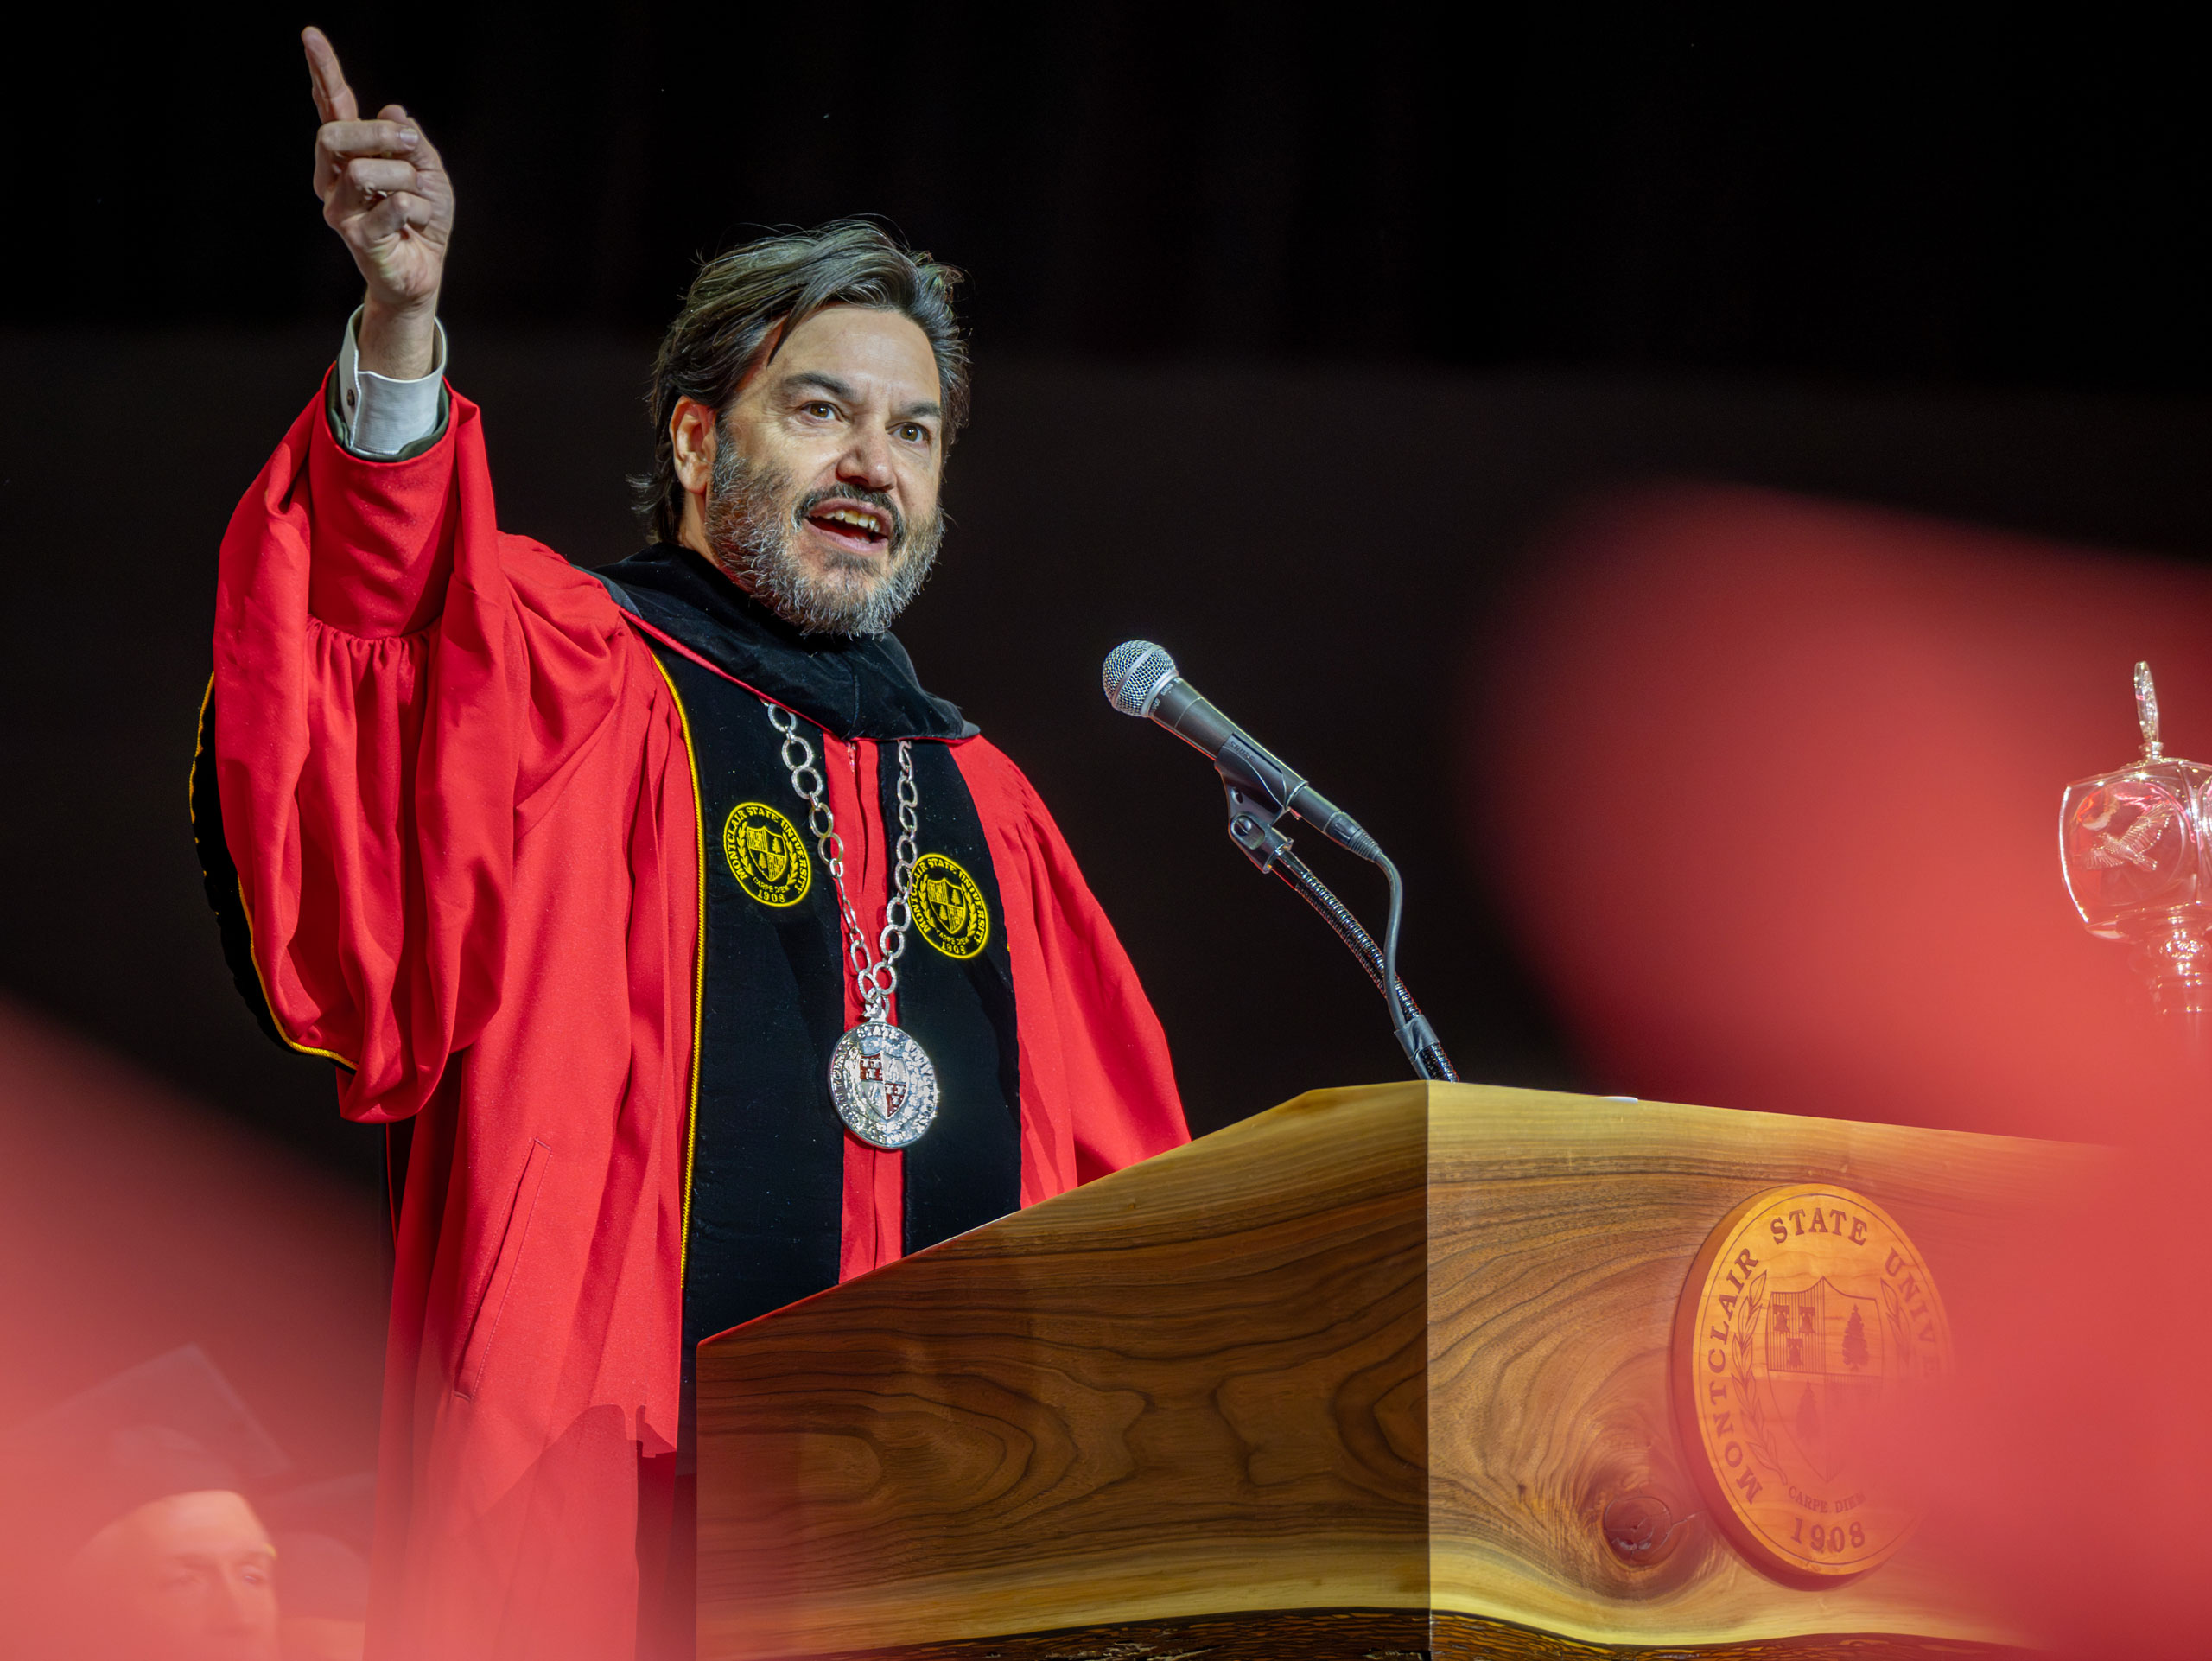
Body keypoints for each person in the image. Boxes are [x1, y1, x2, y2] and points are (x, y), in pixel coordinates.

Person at [189, 27, 1188, 1661]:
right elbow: (379, 616)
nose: (875, 461)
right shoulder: (576, 676)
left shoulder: (990, 808)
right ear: (697, 442)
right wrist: (400, 325)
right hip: (604, 1519)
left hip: (941, 1556)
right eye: (823, 409)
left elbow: (1136, 1215)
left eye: (917, 433)